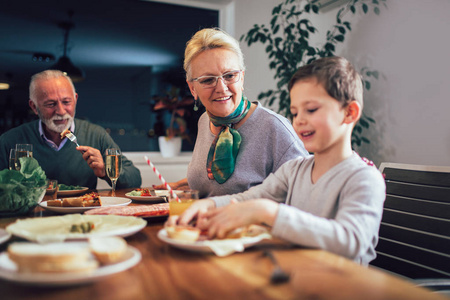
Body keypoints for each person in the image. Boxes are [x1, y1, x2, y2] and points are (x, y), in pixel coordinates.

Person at [171, 56, 386, 265]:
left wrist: (269, 212)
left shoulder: (365, 178)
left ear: (350, 112)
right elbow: (248, 200)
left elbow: (351, 241)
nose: (300, 120)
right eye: (295, 112)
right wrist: (205, 206)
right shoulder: (293, 170)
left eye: (311, 110)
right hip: (297, 279)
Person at [154, 28, 308, 198]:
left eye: (229, 76)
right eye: (207, 80)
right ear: (192, 88)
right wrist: (183, 185)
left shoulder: (276, 129)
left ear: (241, 78)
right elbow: (217, 183)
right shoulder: (205, 120)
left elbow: (304, 198)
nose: (221, 88)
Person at [0, 70, 141, 189]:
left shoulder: (96, 135)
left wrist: (105, 171)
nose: (61, 111)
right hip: (31, 218)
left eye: (66, 102)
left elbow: (134, 178)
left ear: (75, 99)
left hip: (82, 217)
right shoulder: (10, 140)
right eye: (51, 104)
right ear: (34, 107)